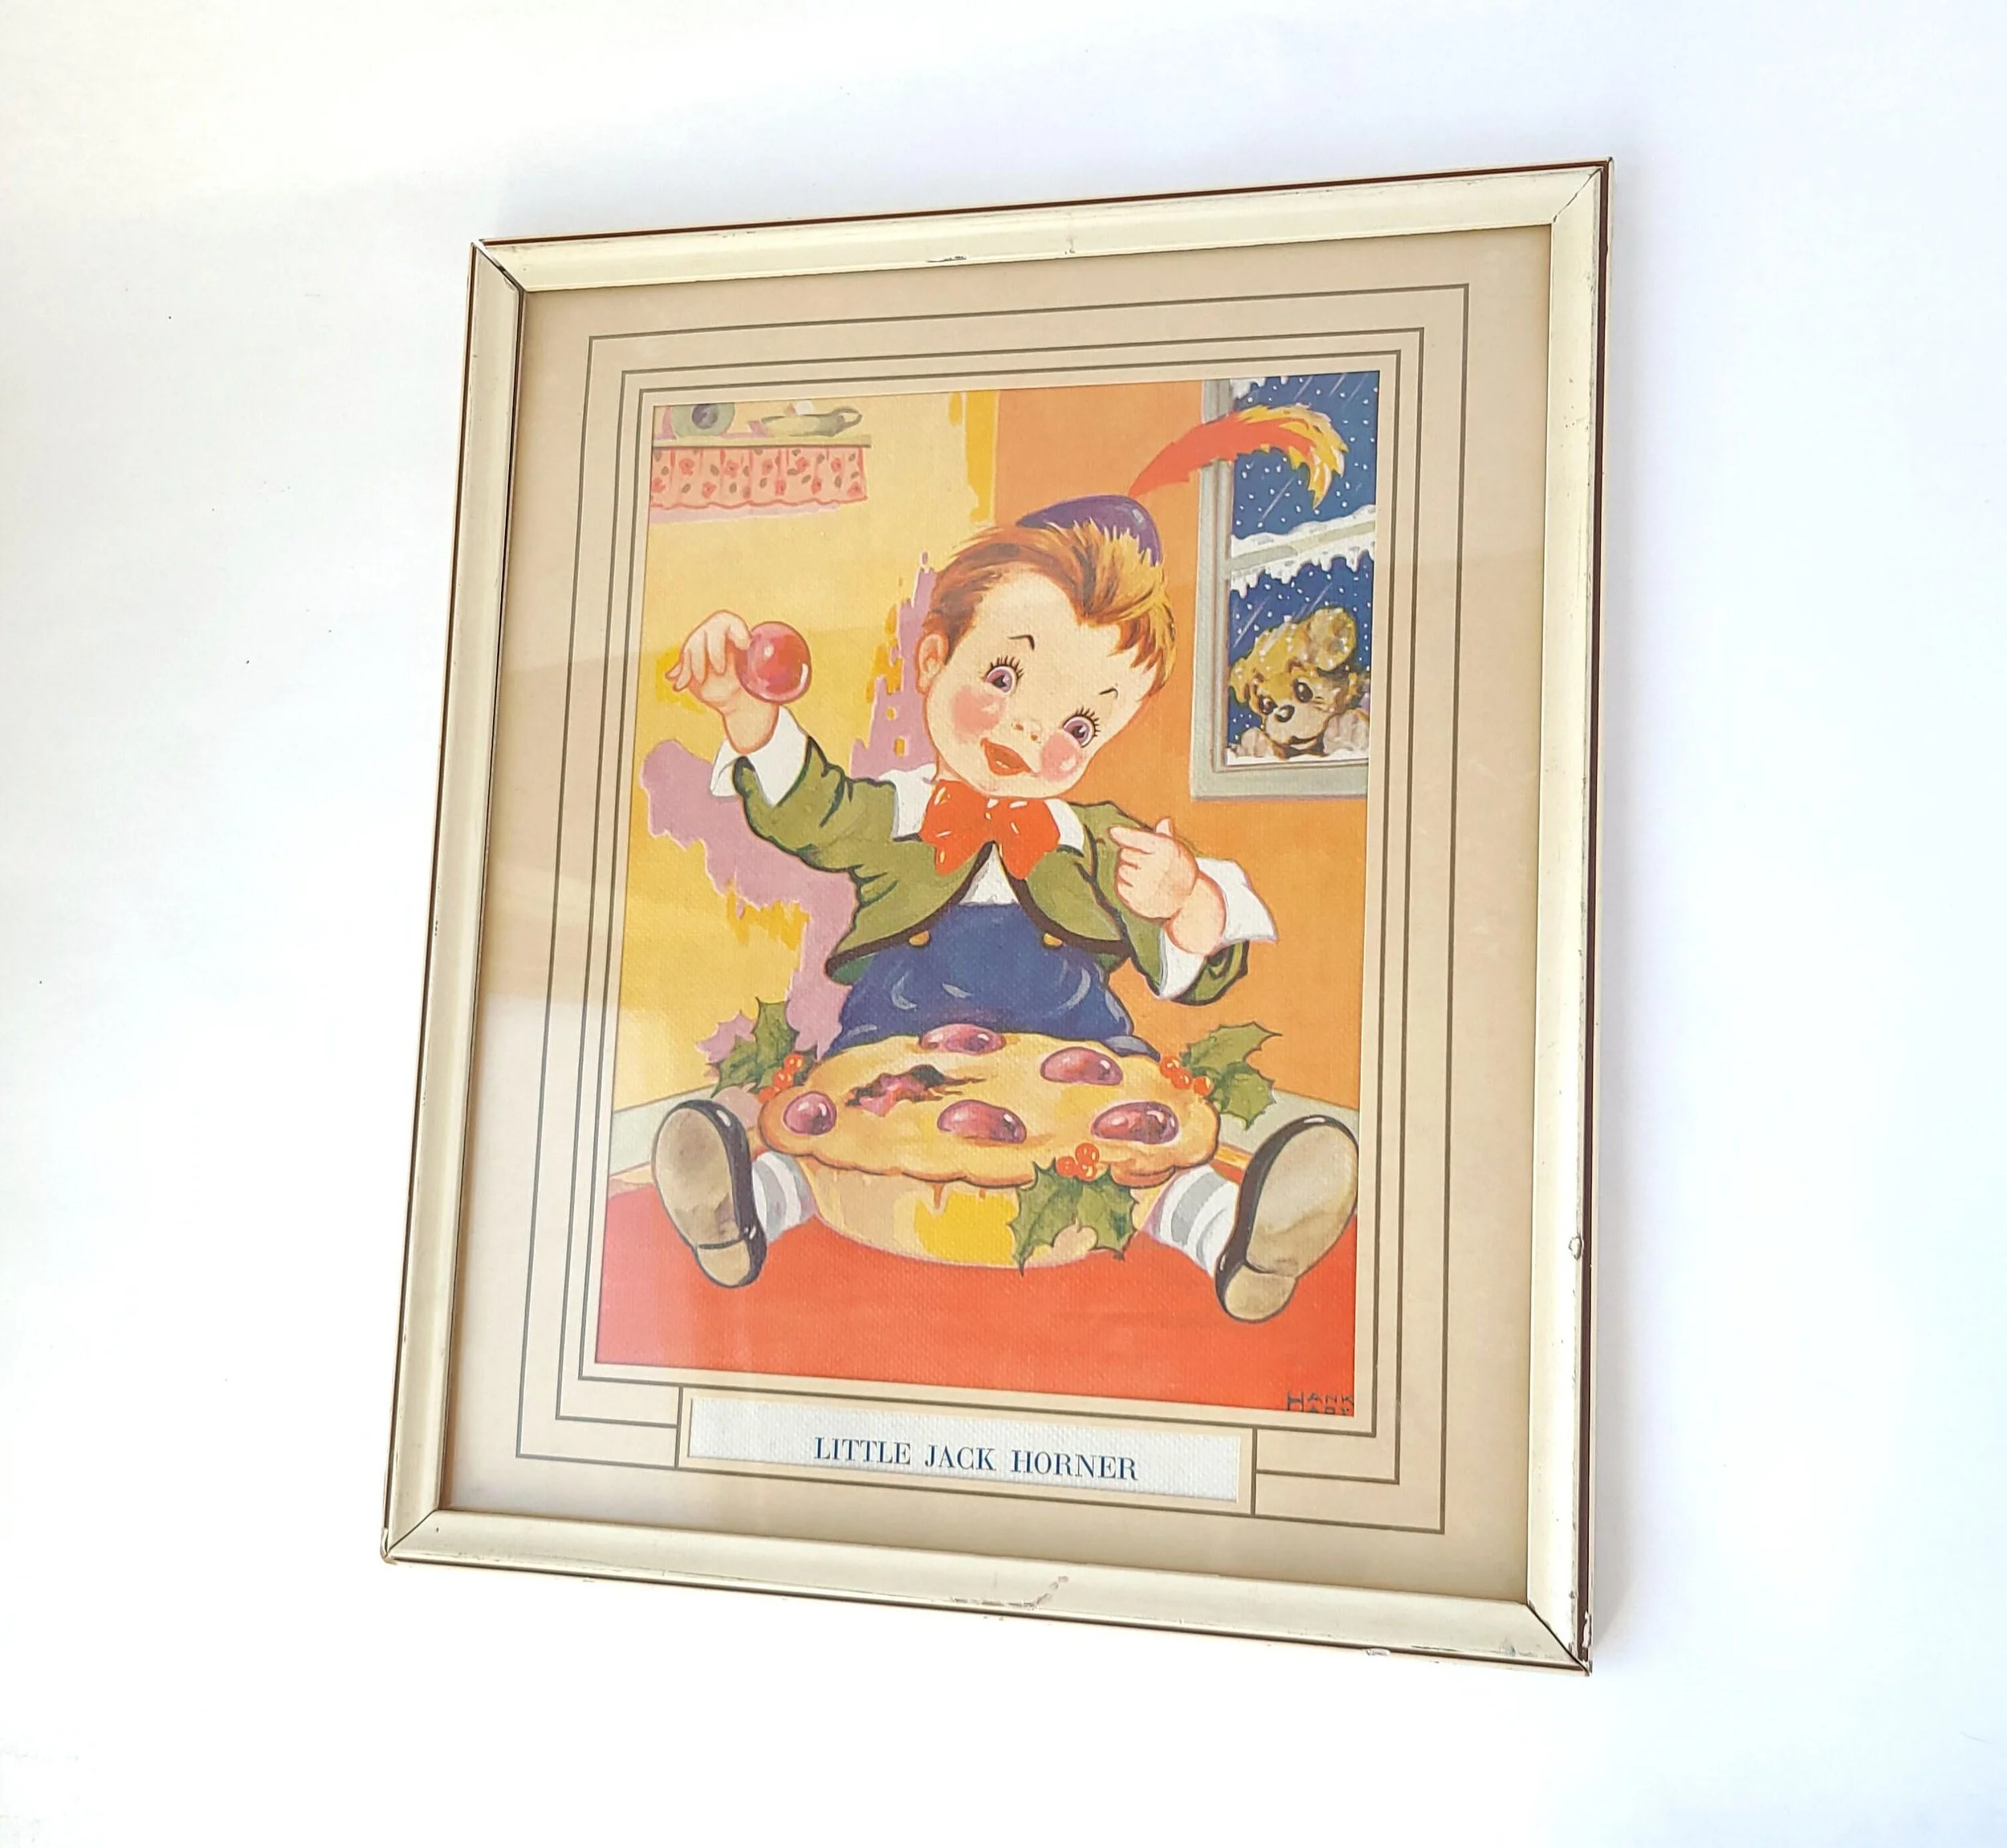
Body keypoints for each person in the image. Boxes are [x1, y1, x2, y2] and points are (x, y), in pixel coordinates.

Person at [655, 497, 1357, 1321]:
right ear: (933, 660)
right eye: (1002, 678)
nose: (1030, 730)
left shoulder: (1097, 839)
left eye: (1079, 724)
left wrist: (1185, 899)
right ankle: (740, 1213)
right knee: (827, 1146)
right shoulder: (896, 813)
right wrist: (746, 709)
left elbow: (1190, 971)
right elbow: (809, 808)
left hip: (1083, 1060)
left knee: (1148, 1166)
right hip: (897, 1054)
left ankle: (1240, 1244)